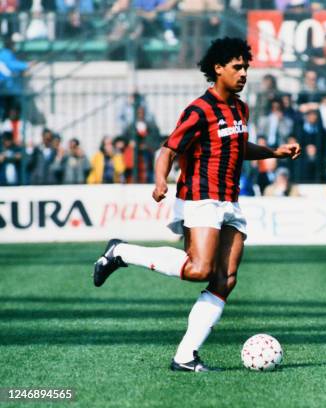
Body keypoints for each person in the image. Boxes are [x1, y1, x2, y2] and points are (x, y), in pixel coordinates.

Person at [92, 37, 301, 372]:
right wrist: (161, 179)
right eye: (237, 67)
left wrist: (273, 152)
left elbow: (238, 146)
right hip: (201, 198)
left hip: (230, 200)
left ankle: (185, 356)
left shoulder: (239, 108)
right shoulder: (199, 110)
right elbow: (169, 149)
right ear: (217, 69)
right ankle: (120, 252)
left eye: (246, 67)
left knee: (225, 278)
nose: (244, 73)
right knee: (199, 269)